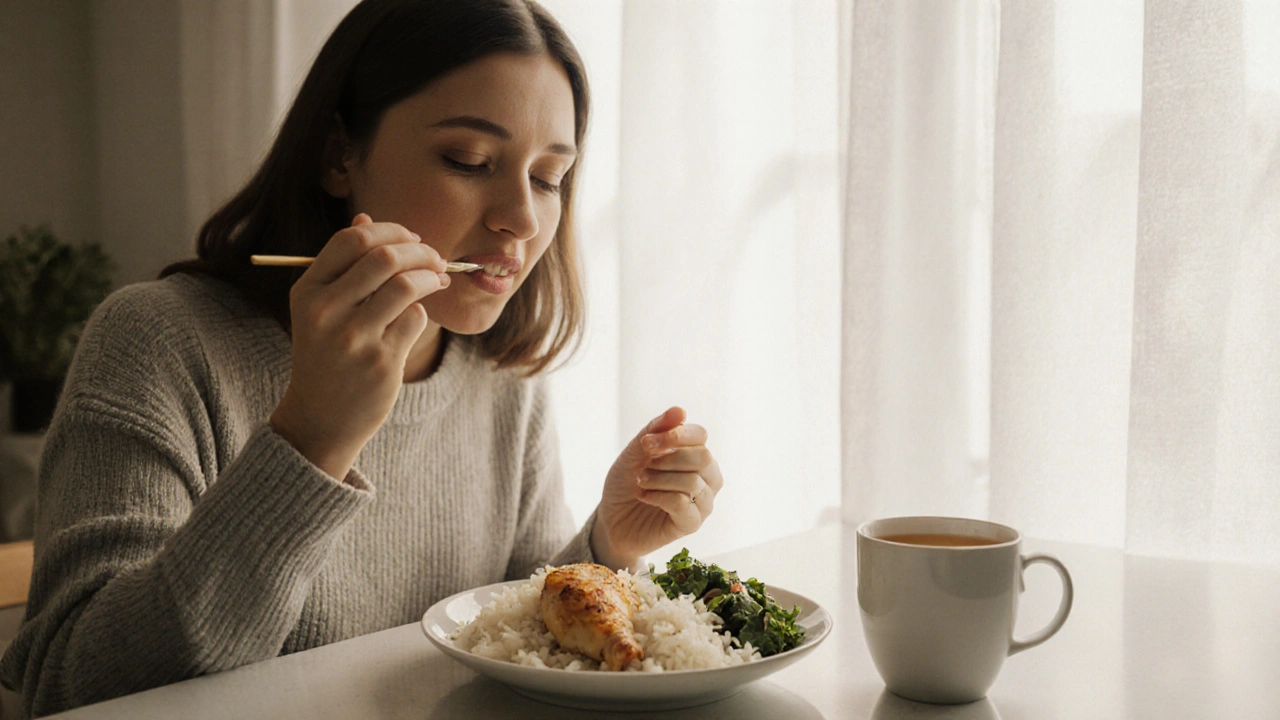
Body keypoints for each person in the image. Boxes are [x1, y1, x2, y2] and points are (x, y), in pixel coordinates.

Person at [0, 0, 724, 715]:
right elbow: (73, 687)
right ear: (339, 154)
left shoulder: (499, 379)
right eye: (468, 160)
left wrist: (609, 541)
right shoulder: (157, 343)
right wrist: (311, 439)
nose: (522, 218)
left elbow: (516, 632)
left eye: (547, 177)